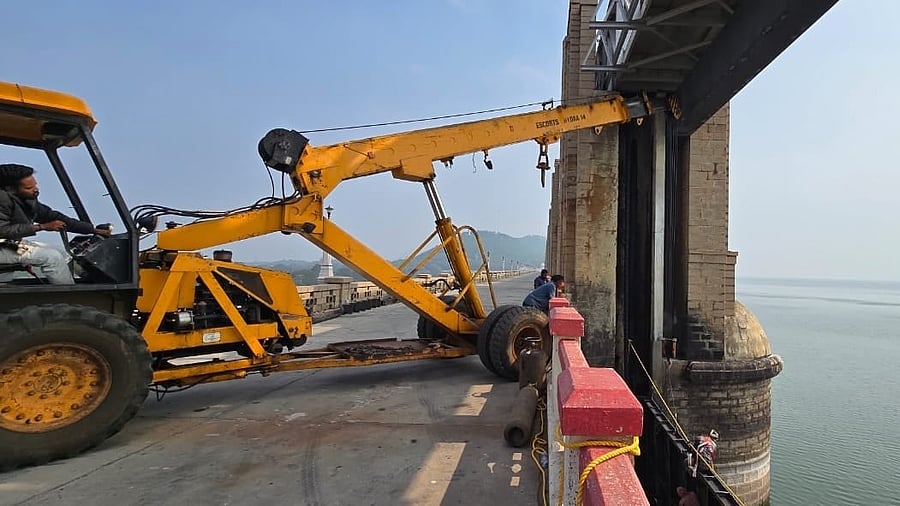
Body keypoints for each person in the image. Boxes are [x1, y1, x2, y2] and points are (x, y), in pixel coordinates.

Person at [0, 163, 110, 284]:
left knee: (64, 254)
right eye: (28, 188)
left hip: (7, 244)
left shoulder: (25, 199)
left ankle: (89, 283)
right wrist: (41, 227)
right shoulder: (2, 199)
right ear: (10, 188)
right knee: (52, 257)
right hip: (3, 245)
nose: (36, 189)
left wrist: (92, 230)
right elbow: (2, 230)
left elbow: (52, 216)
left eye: (35, 185)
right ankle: (70, 298)